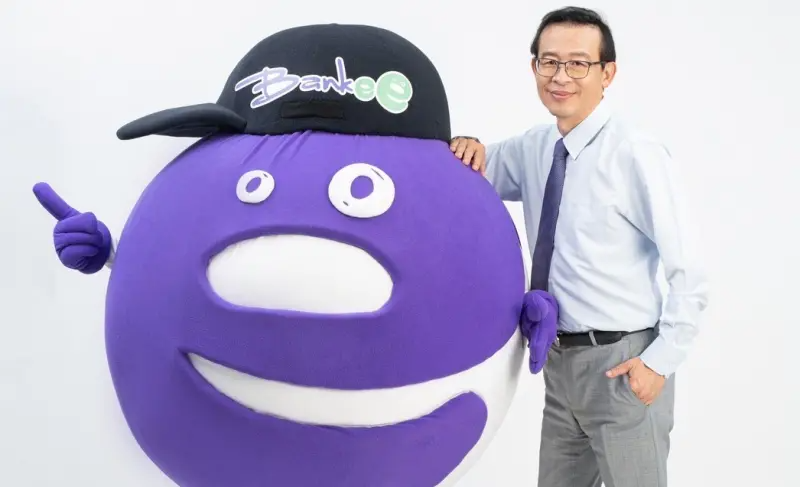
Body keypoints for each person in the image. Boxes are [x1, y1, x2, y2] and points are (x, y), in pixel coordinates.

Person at [449, 6, 709, 487]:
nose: (560, 76)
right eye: (549, 62)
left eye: (578, 63)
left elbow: (689, 270)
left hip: (622, 365)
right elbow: (472, 169)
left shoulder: (635, 153)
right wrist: (466, 143)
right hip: (559, 364)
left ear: (607, 73)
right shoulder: (534, 148)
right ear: (534, 67)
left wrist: (658, 363)